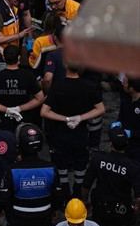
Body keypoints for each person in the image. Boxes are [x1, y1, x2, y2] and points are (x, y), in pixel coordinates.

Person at [41, 60, 106, 201]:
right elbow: (101, 109)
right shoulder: (89, 86)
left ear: (65, 66)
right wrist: (80, 118)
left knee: (61, 164)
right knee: (81, 164)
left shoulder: (57, 87)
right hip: (80, 133)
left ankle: (64, 192)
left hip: (60, 133)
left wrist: (65, 119)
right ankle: (77, 191)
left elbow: (44, 112)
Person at [0, 123, 63, 226]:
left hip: (18, 220)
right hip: (44, 219)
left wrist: (1, 209)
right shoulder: (51, 168)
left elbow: (3, 198)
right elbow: (58, 196)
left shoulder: (12, 169)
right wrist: (53, 209)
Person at [82, 123, 140, 226]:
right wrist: (137, 210)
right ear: (126, 143)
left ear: (110, 143)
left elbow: (86, 185)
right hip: (122, 211)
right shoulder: (133, 166)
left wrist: (85, 201)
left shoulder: (98, 159)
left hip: (100, 209)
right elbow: (138, 198)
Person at [0, 45, 44, 133]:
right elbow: (40, 98)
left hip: (3, 120)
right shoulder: (28, 76)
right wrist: (19, 108)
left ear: (3, 58)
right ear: (19, 58)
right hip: (23, 119)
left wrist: (7, 110)